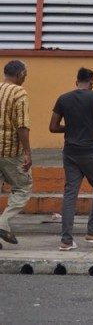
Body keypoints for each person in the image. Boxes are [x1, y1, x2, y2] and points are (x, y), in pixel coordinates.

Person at [49, 67, 93, 250]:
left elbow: (53, 127)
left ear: (76, 82)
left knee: (70, 193)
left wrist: (71, 128)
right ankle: (92, 232)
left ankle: (66, 241)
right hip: (90, 151)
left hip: (70, 152)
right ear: (91, 82)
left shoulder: (63, 98)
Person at [0, 60, 32, 249]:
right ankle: (3, 222)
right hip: (11, 151)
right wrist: (27, 152)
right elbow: (22, 126)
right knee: (23, 187)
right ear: (20, 74)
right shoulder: (19, 92)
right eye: (25, 74)